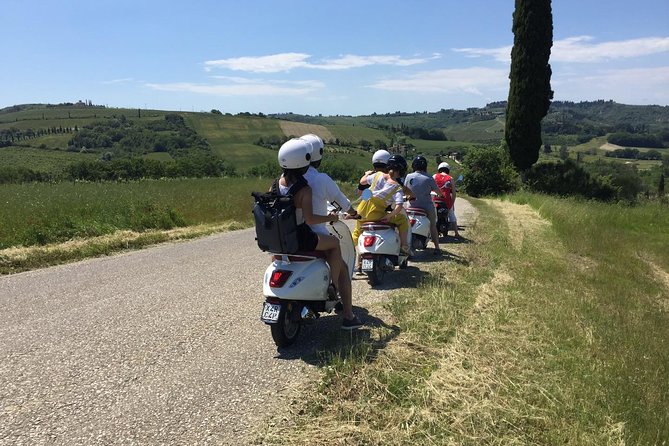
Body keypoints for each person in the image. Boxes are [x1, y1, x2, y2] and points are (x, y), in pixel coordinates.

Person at [277, 139, 362, 329]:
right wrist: (335, 217)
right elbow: (335, 205)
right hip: (309, 235)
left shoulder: (278, 183)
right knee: (340, 260)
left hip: (283, 238)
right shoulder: (311, 184)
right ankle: (345, 309)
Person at [352, 154, 411, 258]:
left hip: (361, 211)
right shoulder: (397, 187)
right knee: (402, 220)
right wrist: (389, 216)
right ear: (401, 171)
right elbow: (399, 207)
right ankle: (404, 246)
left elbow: (362, 182)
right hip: (375, 214)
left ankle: (358, 260)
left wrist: (367, 174)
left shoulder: (377, 175)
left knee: (357, 233)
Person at [299, 133, 358, 236]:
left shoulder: (286, 178)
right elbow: (340, 200)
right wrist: (353, 213)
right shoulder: (321, 179)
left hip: (291, 235)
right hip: (315, 234)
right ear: (319, 154)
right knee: (335, 244)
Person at [405, 155, 442, 254]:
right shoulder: (429, 178)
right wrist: (440, 194)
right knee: (433, 225)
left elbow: (404, 190)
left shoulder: (409, 176)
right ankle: (437, 248)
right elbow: (438, 192)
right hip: (426, 207)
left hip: (411, 206)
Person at [433, 161, 460, 237]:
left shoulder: (435, 176)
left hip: (435, 199)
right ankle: (456, 233)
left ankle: (432, 232)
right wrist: (452, 203)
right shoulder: (450, 178)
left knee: (433, 216)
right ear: (448, 170)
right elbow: (454, 193)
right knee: (451, 215)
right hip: (446, 200)